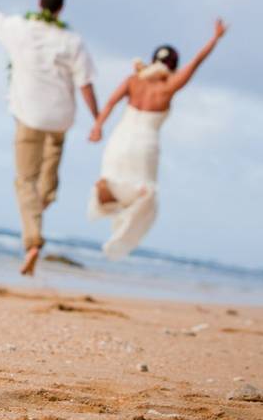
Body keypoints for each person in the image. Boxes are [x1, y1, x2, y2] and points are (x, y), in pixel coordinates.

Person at [0, 0, 99, 276]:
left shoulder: (21, 29)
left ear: (39, 3)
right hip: (60, 119)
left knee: (25, 180)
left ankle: (33, 239)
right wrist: (97, 120)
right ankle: (43, 202)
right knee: (47, 182)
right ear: (61, 8)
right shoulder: (73, 41)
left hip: (29, 115)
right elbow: (85, 83)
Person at [87, 19, 228, 259]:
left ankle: (107, 193)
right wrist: (214, 38)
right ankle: (118, 240)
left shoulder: (134, 80)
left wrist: (98, 126)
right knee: (145, 196)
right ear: (173, 65)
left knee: (114, 181)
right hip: (145, 144)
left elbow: (110, 102)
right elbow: (196, 63)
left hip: (119, 140)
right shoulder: (169, 85)